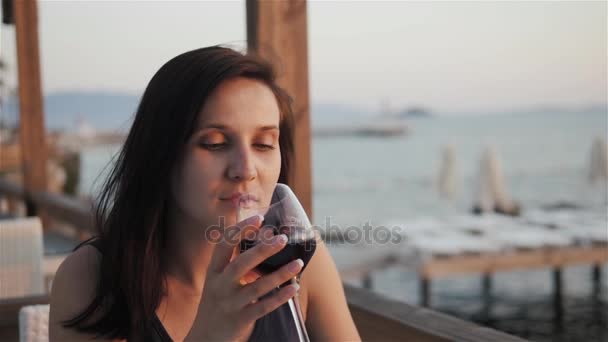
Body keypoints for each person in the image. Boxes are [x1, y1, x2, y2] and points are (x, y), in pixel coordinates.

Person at [49, 46, 361, 341]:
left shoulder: (296, 261)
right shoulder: (91, 278)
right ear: (160, 154)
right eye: (214, 143)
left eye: (264, 144)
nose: (246, 169)